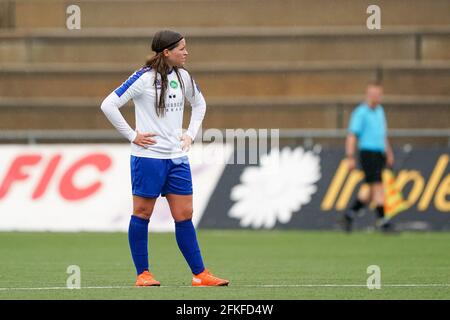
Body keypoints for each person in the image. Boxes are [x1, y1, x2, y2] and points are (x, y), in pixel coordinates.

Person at [101, 30, 229, 287]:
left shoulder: (183, 77)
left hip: (177, 158)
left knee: (184, 214)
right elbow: (108, 104)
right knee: (142, 212)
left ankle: (200, 274)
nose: (186, 52)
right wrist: (132, 135)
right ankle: (143, 274)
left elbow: (200, 104)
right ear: (166, 52)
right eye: (181, 48)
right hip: (148, 157)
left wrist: (190, 134)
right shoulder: (142, 78)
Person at [340, 81, 395, 232]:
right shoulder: (360, 112)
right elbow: (352, 135)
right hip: (367, 153)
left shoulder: (380, 111)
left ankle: (349, 215)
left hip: (379, 153)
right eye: (373, 94)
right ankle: (382, 220)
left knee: (370, 190)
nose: (376, 97)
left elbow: (383, 135)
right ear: (368, 95)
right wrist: (350, 156)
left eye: (378, 94)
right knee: (378, 186)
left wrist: (389, 153)